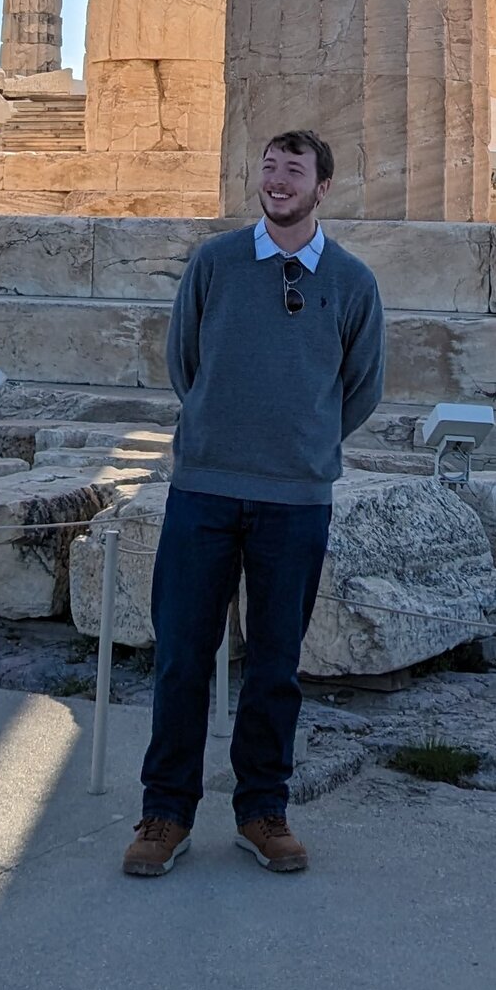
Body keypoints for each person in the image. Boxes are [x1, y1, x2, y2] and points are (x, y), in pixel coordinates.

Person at [122, 128, 385, 879]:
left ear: (321, 187)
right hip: (203, 487)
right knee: (180, 658)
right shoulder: (216, 263)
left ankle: (262, 809)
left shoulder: (353, 281)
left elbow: (361, 386)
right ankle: (166, 812)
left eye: (292, 171)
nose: (276, 181)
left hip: (295, 498)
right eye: (268, 168)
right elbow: (185, 362)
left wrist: (302, 443)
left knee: (276, 664)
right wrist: (218, 428)